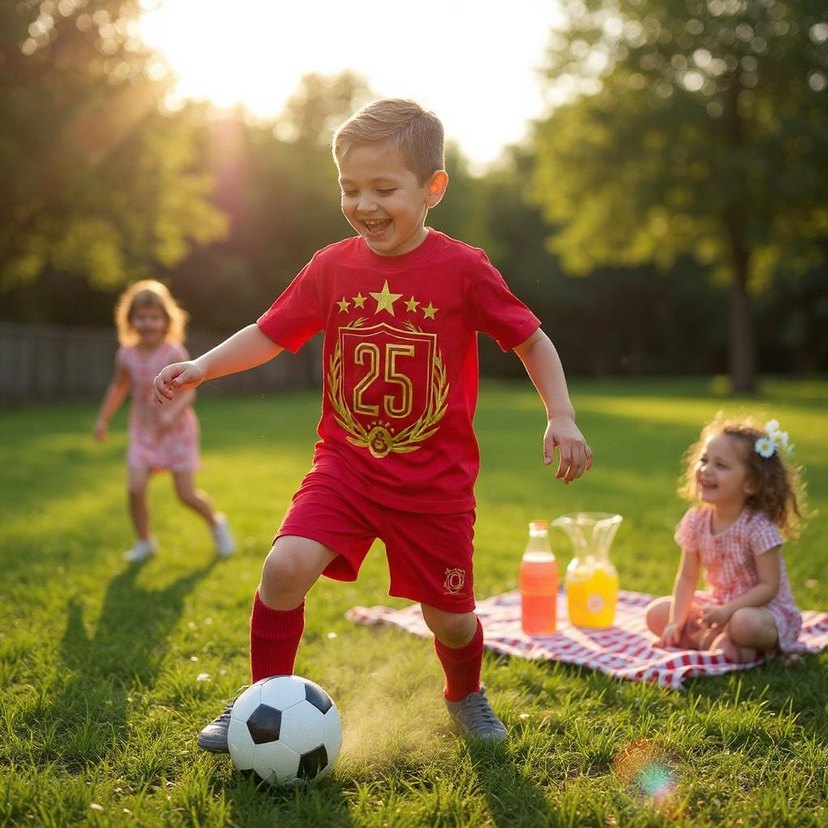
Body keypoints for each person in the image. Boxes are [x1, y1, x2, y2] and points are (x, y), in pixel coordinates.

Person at [153, 98, 592, 747]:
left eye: (384, 189)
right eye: (350, 188)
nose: (365, 204)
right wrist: (203, 366)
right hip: (346, 469)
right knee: (283, 569)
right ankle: (260, 702)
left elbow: (531, 339)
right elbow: (271, 332)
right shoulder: (331, 266)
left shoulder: (464, 269)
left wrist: (562, 415)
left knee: (450, 621)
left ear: (432, 188)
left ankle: (465, 694)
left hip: (434, 486)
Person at [94, 279, 235, 562]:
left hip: (177, 432)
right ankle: (144, 542)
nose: (148, 323)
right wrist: (103, 420)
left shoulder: (173, 353)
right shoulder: (126, 355)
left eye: (154, 317)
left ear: (166, 320)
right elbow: (118, 387)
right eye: (141, 317)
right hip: (144, 431)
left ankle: (216, 524)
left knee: (186, 495)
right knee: (135, 489)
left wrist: (173, 412)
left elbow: (189, 392)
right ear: (130, 320)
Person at [646, 416, 805, 663]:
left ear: (751, 484)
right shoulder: (696, 520)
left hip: (761, 611)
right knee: (656, 614)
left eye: (720, 465)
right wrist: (676, 621)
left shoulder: (758, 526)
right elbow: (687, 578)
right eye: (704, 460)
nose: (706, 470)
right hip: (718, 604)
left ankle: (744, 643)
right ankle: (718, 643)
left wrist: (727, 611)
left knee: (744, 623)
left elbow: (769, 587)